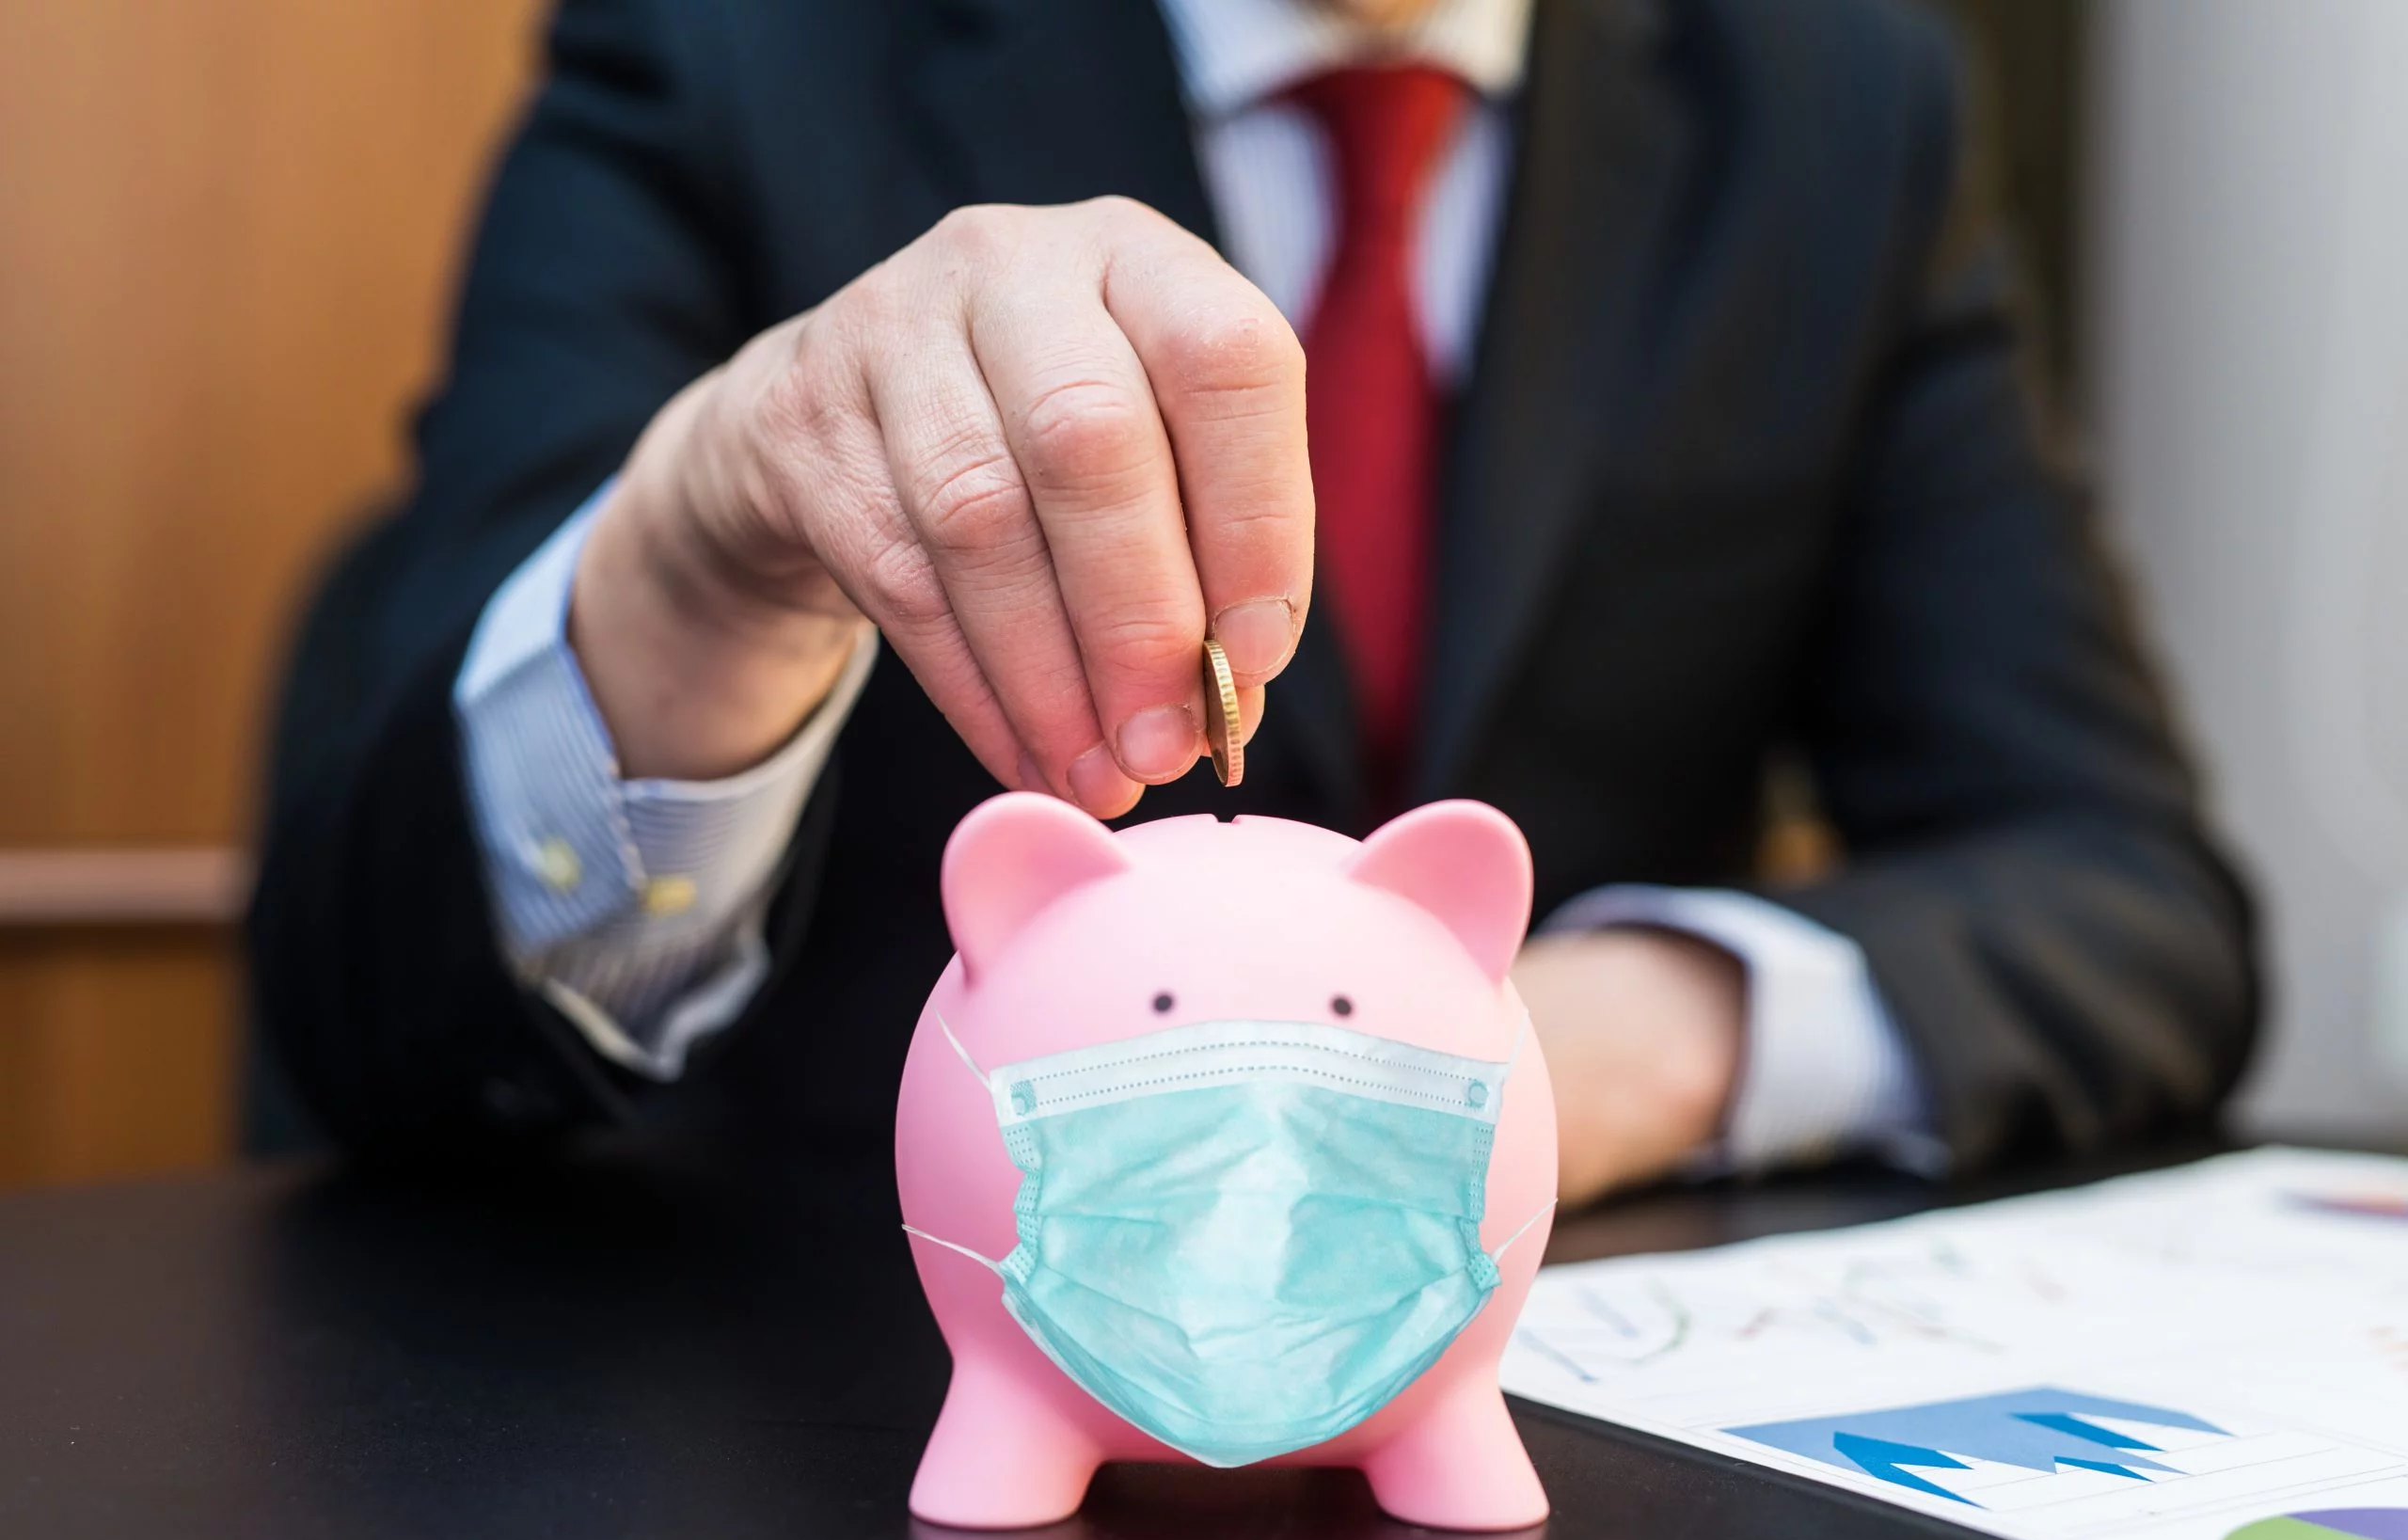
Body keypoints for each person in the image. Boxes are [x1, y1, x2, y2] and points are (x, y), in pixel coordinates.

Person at [248, 0, 2258, 1202]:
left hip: (1537, 1421)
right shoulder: (733, 46)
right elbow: (384, 988)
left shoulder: (1837, 105)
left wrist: (1578, 1045)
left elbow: (2120, 888)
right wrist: (698, 543)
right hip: (822, 1406)